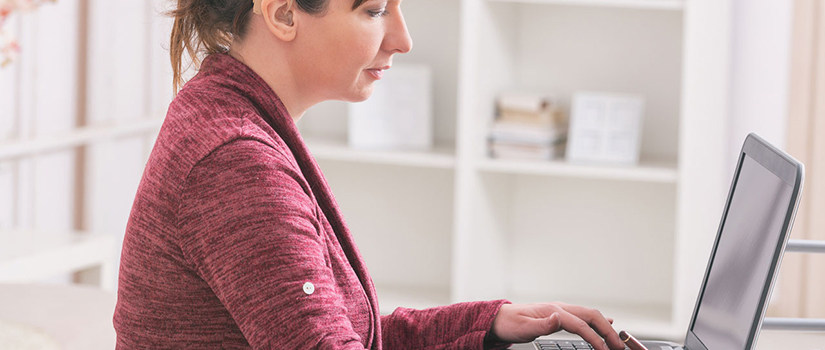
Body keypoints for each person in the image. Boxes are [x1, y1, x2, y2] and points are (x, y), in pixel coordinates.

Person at [113, 0, 626, 349]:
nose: (402, 39)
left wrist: (488, 324)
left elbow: (344, 335)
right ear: (284, 13)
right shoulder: (235, 162)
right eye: (375, 10)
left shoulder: (229, 116)